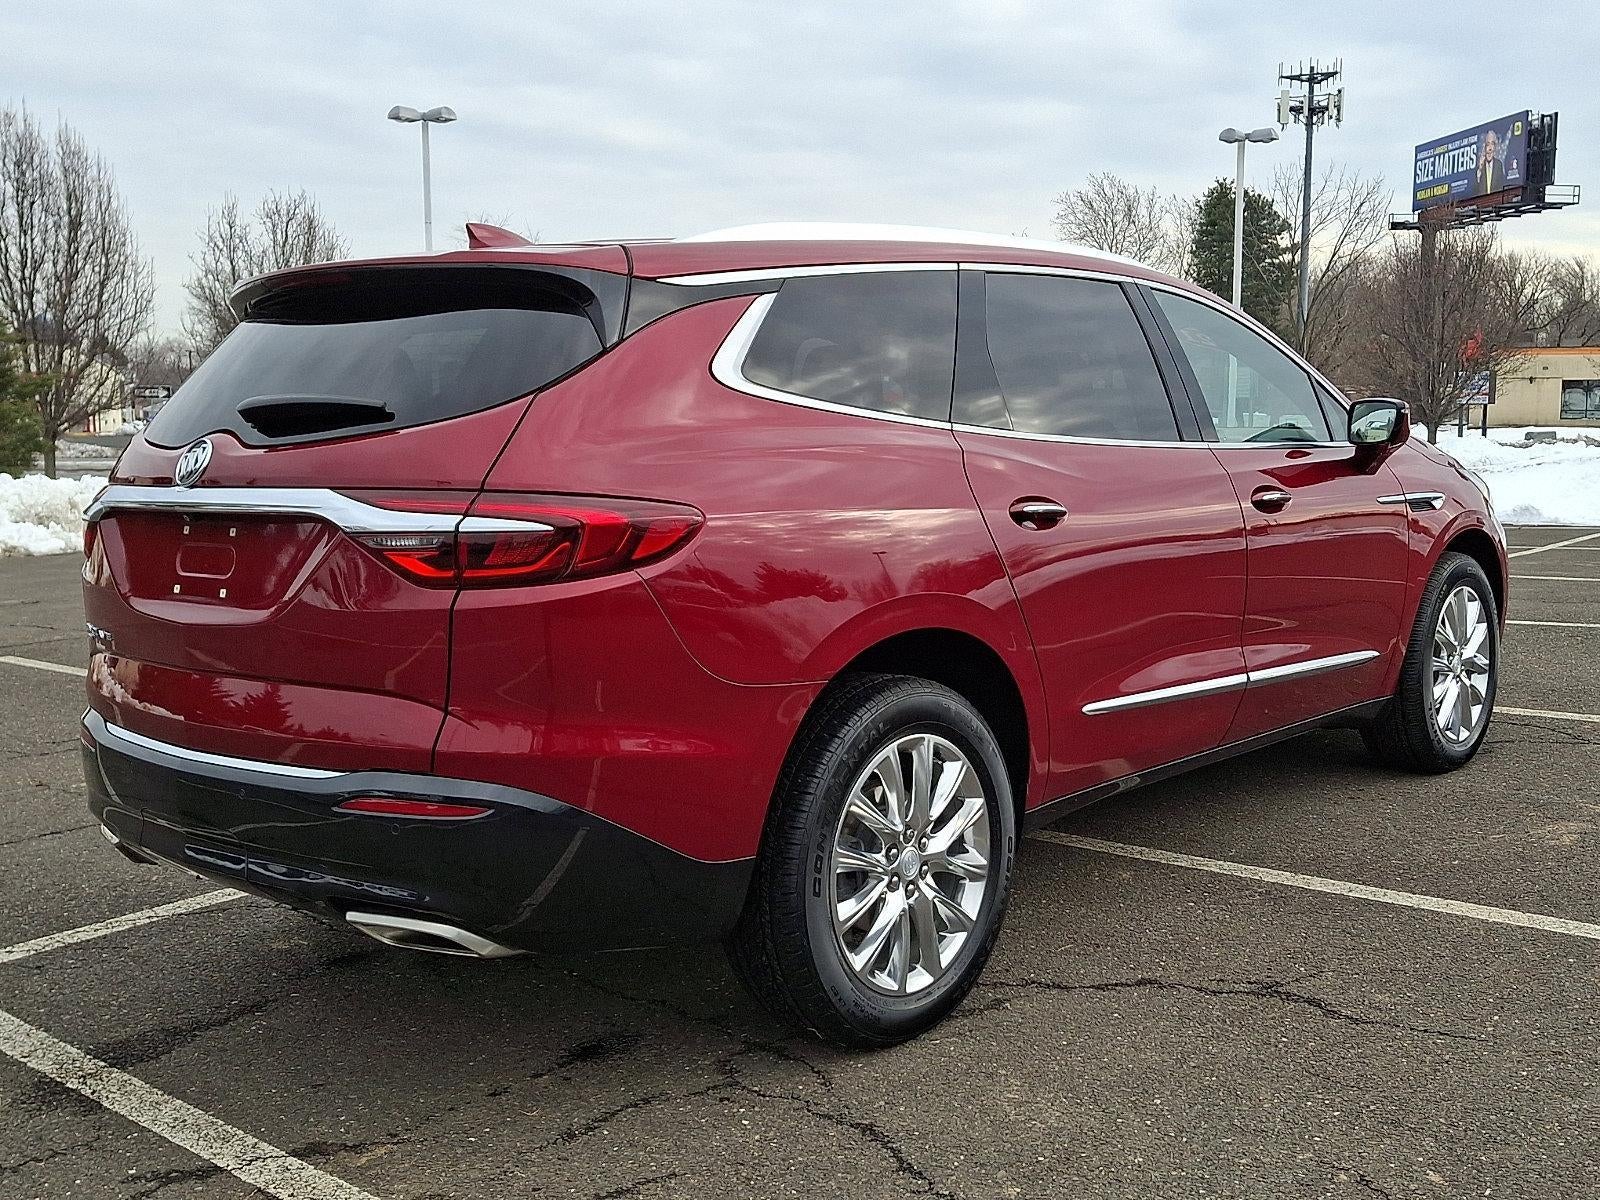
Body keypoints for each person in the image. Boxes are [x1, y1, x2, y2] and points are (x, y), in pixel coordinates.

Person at [1476, 129, 1505, 194]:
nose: (1490, 148)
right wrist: (1480, 170)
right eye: (1487, 144)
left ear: (1495, 147)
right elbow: (1474, 191)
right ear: (1484, 147)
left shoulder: (1499, 164)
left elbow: (1501, 186)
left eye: (1492, 144)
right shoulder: (1479, 167)